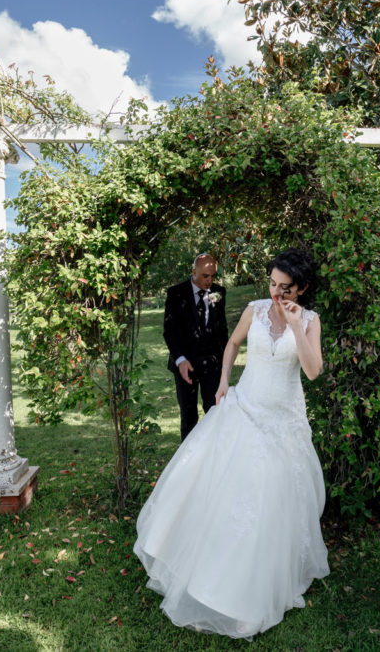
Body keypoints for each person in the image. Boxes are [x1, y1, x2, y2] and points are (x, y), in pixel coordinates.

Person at [135, 248, 330, 639]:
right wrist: (224, 381)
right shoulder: (255, 309)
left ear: (302, 288)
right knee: (228, 490)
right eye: (272, 284)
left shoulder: (310, 321)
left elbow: (312, 371)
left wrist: (294, 326)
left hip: (283, 420)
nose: (276, 293)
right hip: (245, 406)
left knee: (269, 498)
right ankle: (210, 572)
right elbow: (233, 345)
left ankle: (258, 583)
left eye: (285, 288)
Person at [163, 254, 229, 440]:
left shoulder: (219, 292)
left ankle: (214, 457)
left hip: (212, 365)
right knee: (188, 417)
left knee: (215, 414)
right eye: (205, 276)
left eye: (213, 276)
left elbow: (222, 330)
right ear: (194, 272)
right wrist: (180, 360)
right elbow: (170, 331)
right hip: (186, 365)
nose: (209, 281)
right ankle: (189, 465)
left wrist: (224, 364)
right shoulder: (176, 293)